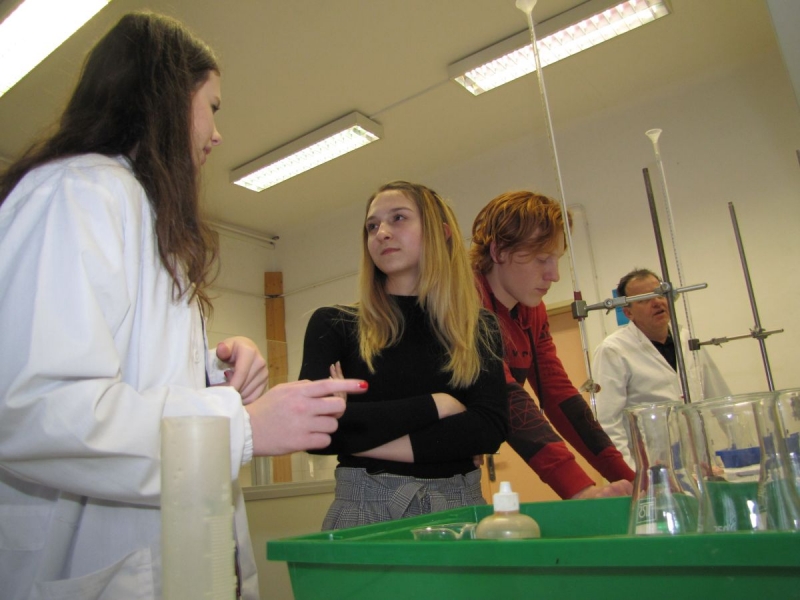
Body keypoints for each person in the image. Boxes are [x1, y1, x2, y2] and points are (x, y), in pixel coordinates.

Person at [0, 13, 365, 600]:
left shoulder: (141, 214)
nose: (217, 134)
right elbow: (37, 408)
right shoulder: (78, 192)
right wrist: (242, 426)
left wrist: (214, 374)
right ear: (166, 98)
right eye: (212, 107)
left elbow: (125, 375)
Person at [299, 181, 508, 530]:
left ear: (441, 233)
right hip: (364, 512)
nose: (381, 232)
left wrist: (357, 434)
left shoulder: (478, 326)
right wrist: (437, 404)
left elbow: (488, 430)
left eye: (398, 218)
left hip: (459, 507)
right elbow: (313, 428)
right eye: (372, 226)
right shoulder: (334, 324)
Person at [470, 191, 635, 499]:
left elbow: (559, 395)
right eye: (541, 259)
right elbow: (502, 392)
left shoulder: (532, 311)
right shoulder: (463, 299)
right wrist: (580, 489)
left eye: (557, 260)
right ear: (498, 251)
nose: (554, 275)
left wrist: (632, 480)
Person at [592, 268, 730, 468]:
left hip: (702, 461)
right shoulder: (613, 350)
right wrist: (631, 475)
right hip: (652, 466)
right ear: (628, 312)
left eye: (660, 294)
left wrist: (738, 445)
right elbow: (608, 422)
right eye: (644, 299)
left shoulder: (687, 339)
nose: (657, 302)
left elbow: (718, 397)